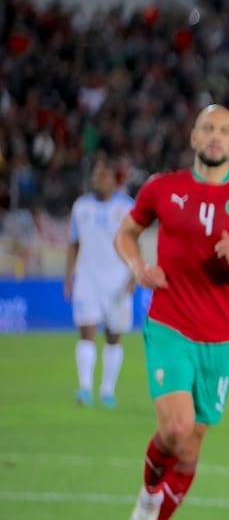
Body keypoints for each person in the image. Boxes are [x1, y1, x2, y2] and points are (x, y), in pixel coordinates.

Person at [113, 105, 229, 520]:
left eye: (225, 130)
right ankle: (146, 503)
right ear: (193, 137)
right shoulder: (161, 189)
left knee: (191, 446)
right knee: (176, 428)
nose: (215, 136)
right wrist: (138, 269)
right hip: (169, 324)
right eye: (207, 128)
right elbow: (126, 235)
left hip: (222, 337)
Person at [64, 155, 135, 408]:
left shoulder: (127, 207)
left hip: (118, 280)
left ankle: (107, 390)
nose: (98, 180)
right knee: (86, 332)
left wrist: (134, 274)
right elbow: (73, 243)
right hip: (87, 278)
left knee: (114, 336)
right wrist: (68, 276)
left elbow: (133, 243)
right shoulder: (81, 207)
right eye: (95, 175)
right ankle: (84, 388)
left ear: (114, 180)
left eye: (103, 176)